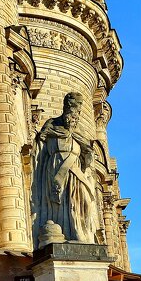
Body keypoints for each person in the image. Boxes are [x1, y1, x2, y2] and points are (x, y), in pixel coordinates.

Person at [31, 92, 98, 247]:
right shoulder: (52, 124)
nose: (75, 113)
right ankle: (64, 233)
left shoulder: (78, 129)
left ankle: (81, 234)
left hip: (75, 168)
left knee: (82, 201)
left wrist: (88, 157)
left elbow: (87, 150)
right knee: (61, 203)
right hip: (55, 165)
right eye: (73, 108)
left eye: (78, 110)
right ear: (66, 107)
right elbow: (40, 145)